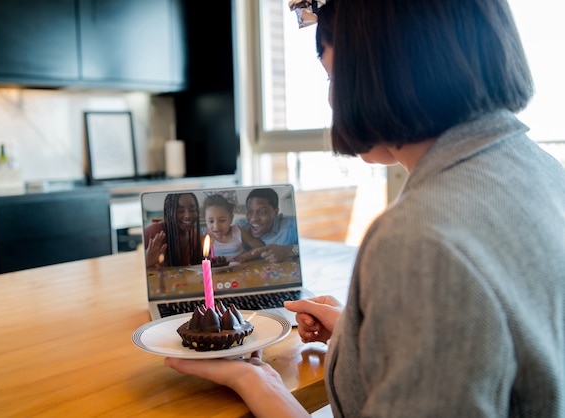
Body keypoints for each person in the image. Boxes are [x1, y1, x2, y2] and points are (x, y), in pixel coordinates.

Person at [165, 0, 565, 417]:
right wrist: (369, 333)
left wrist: (260, 383)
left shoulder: (418, 237)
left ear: (386, 68)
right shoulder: (542, 171)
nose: (333, 99)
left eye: (334, 76)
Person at [236, 188, 299, 263]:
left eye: (262, 212)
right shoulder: (240, 227)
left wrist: (290, 250)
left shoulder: (293, 225)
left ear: (275, 212)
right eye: (250, 211)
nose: (253, 219)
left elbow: (314, 247)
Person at [144, 193, 202, 267]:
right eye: (180, 211)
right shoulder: (153, 232)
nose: (188, 216)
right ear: (169, 212)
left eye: (192, 210)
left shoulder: (195, 238)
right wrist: (146, 263)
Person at [203, 193, 264, 261]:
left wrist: (245, 256)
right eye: (211, 221)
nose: (216, 226)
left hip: (240, 269)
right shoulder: (206, 236)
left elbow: (260, 247)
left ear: (231, 218)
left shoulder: (238, 232)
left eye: (222, 220)